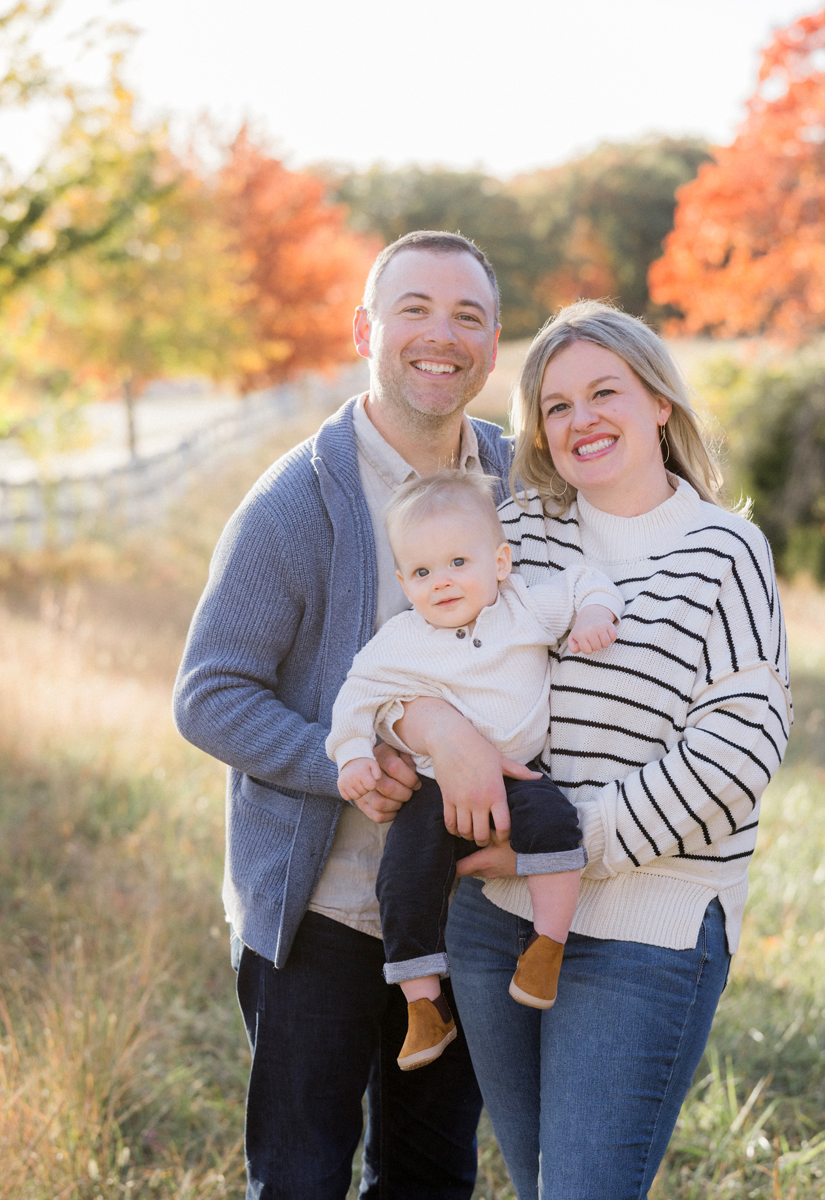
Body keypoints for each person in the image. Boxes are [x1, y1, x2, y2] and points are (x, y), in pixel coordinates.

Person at [391, 301, 793, 1200]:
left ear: (659, 402)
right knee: (538, 1184)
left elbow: (736, 753)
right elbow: (416, 654)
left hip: (645, 930)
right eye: (558, 405)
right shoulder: (520, 534)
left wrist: (570, 839)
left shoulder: (725, 552)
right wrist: (433, 725)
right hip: (494, 921)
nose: (583, 420)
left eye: (604, 391)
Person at [172, 231, 528, 1199]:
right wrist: (343, 764)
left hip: (466, 910)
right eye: (413, 308)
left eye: (467, 316)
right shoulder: (298, 501)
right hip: (322, 914)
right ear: (365, 328)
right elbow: (207, 693)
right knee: (298, 1180)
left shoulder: (520, 490)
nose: (440, 335)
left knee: (428, 1177)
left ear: (494, 346)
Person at [326, 469, 622, 1070]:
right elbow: (355, 697)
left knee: (557, 829)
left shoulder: (523, 609)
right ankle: (424, 1006)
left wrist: (594, 613)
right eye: (424, 572)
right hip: (435, 789)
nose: (443, 583)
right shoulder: (402, 641)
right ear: (406, 582)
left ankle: (547, 948)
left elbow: (586, 581)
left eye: (459, 562)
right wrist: (353, 755)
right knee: (403, 876)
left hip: (523, 774)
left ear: (500, 561)